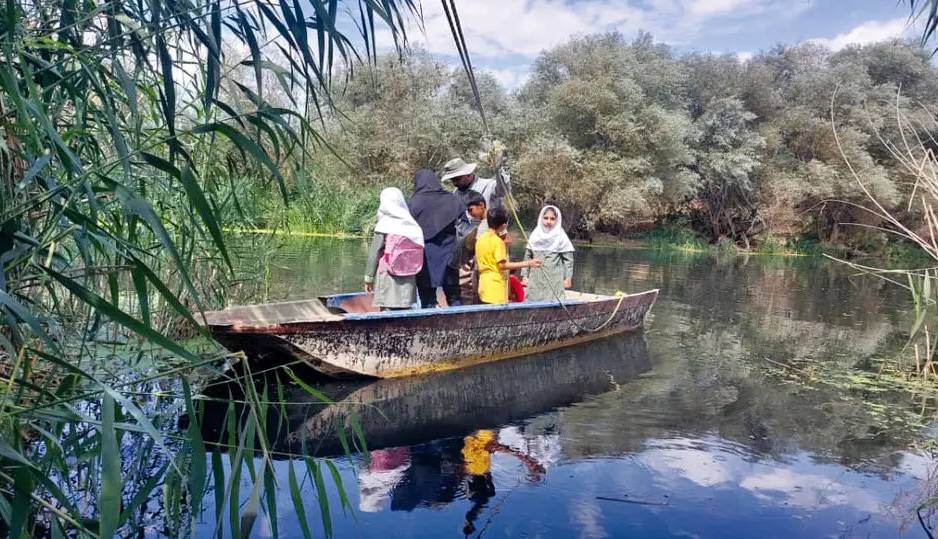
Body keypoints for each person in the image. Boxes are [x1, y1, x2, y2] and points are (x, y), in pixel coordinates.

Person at [407, 169, 465, 308]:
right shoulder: (452, 199)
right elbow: (465, 226)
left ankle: (430, 325)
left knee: (427, 297)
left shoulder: (413, 203)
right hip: (449, 254)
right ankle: (461, 324)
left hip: (425, 257)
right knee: (454, 295)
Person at [363, 187, 422, 309]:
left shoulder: (384, 225)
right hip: (409, 274)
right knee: (405, 306)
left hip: (388, 274)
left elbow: (374, 253)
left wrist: (369, 278)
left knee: (387, 306)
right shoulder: (411, 224)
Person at [475, 207, 540, 305]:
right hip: (495, 288)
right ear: (504, 225)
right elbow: (502, 265)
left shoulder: (481, 239)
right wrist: (528, 263)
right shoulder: (497, 242)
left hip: (483, 285)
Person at [521, 205, 575, 302]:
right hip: (535, 278)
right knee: (533, 299)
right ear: (541, 218)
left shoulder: (561, 237)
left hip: (554, 279)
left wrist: (568, 278)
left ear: (557, 220)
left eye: (552, 219)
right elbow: (527, 257)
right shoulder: (535, 235)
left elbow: (568, 260)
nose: (548, 221)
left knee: (554, 300)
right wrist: (525, 276)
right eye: (545, 218)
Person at [453, 190, 486, 305]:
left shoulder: (491, 224)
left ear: (481, 206)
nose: (469, 214)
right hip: (472, 275)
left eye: (471, 210)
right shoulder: (474, 226)